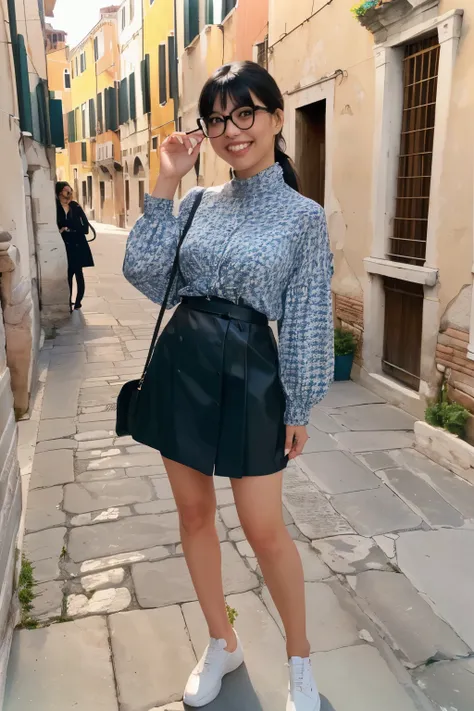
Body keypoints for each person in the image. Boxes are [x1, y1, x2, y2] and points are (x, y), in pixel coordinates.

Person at [123, 61, 333, 711]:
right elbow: (145, 272)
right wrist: (164, 178)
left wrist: (299, 401)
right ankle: (223, 639)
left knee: (265, 528)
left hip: (252, 373)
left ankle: (300, 660)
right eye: (217, 118)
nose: (231, 129)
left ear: (274, 116)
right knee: (193, 514)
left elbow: (306, 314)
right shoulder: (194, 203)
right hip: (182, 361)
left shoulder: (303, 217)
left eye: (245, 113)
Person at [55, 182, 94, 311]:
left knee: (79, 273)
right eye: (67, 191)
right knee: (68, 274)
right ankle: (68, 301)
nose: (69, 193)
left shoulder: (75, 206)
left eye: (70, 190)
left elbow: (85, 228)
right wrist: (61, 230)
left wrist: (68, 228)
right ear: (60, 192)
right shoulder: (56, 207)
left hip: (78, 244)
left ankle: (78, 302)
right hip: (64, 244)